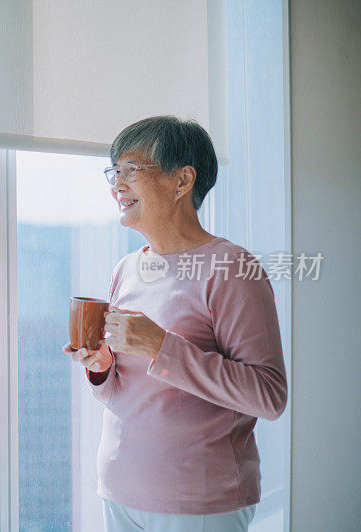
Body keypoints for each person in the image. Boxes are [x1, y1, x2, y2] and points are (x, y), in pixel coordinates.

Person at [63, 116, 287, 532]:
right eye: (114, 173)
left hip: (198, 503)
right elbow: (127, 394)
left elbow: (269, 396)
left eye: (131, 171)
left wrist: (160, 346)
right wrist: (101, 368)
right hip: (119, 491)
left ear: (183, 180)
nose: (117, 186)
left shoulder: (233, 268)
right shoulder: (127, 268)